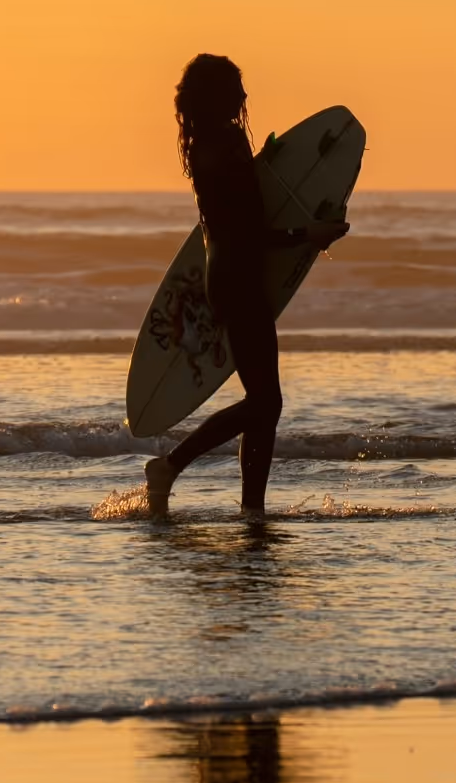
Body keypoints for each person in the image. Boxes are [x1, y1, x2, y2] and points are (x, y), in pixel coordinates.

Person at [144, 54, 348, 519]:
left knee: (266, 403)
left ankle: (252, 510)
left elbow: (233, 220)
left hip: (229, 277)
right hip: (239, 280)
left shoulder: (205, 146)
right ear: (220, 94)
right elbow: (246, 232)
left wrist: (264, 171)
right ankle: (171, 467)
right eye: (237, 87)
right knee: (266, 401)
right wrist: (306, 236)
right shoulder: (227, 144)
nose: (244, 96)